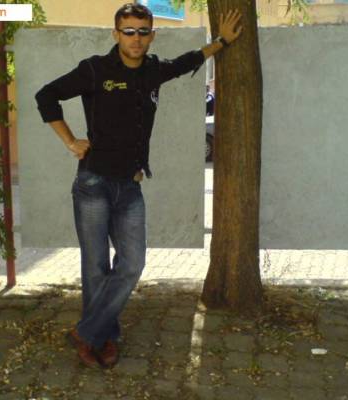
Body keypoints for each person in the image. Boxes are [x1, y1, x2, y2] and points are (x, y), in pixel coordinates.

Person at [34, 3, 242, 369]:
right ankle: (104, 338)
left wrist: (221, 42)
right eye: (128, 31)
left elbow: (186, 62)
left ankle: (86, 332)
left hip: (130, 187)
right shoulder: (95, 69)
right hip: (93, 183)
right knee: (96, 267)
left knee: (131, 264)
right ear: (116, 34)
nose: (136, 38)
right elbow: (46, 96)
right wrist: (70, 141)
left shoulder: (153, 71)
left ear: (152, 35)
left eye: (143, 31)